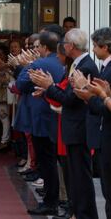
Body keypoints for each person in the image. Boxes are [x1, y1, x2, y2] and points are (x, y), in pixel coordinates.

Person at [33, 28, 99, 219]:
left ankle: (85, 214)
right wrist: (48, 89)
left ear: (70, 46)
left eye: (64, 45)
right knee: (75, 177)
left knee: (81, 177)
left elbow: (69, 99)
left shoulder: (84, 66)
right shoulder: (78, 63)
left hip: (79, 128)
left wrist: (49, 87)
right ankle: (78, 212)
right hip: (74, 127)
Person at [16, 31, 64, 216]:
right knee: (53, 160)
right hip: (56, 115)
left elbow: (21, 84)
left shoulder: (38, 63)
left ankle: (50, 201)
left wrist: (27, 65)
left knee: (46, 161)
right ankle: (53, 197)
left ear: (43, 47)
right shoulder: (61, 63)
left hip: (41, 116)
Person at [72, 27, 111, 219]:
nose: (93, 50)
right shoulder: (105, 66)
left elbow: (104, 105)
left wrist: (89, 95)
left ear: (105, 46)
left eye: (95, 46)